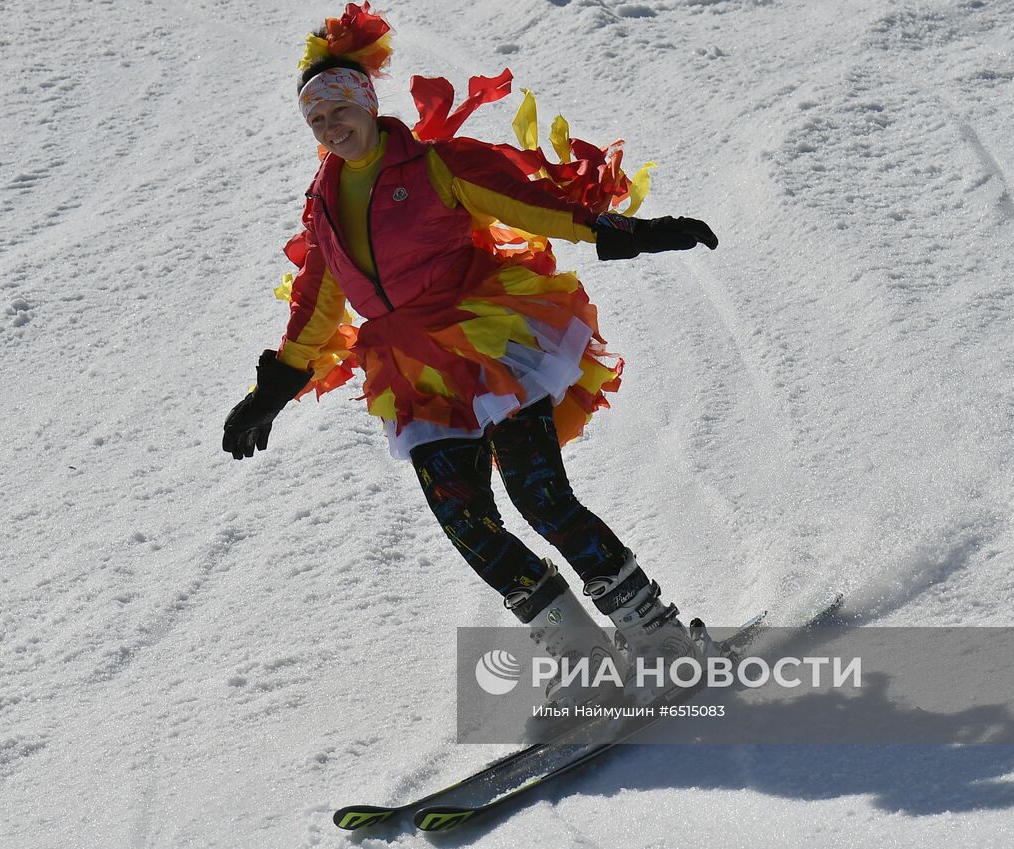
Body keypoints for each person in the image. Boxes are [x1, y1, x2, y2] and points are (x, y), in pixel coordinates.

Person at [221, 3, 719, 707]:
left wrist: (634, 232)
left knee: (539, 496)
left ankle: (658, 636)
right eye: (317, 122)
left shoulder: (434, 165)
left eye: (338, 110)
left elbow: (534, 206)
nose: (331, 129)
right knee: (465, 522)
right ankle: (585, 663)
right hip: (412, 375)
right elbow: (314, 306)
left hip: (487, 343)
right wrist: (267, 393)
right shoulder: (324, 207)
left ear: (366, 102)